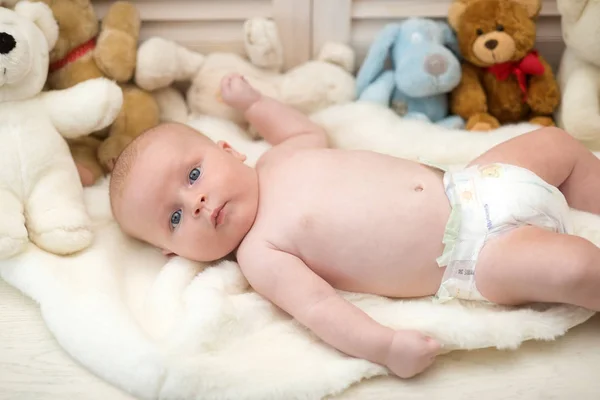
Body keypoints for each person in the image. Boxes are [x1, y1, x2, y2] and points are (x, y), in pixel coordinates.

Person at [109, 73, 600, 379]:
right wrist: (386, 347)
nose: (194, 202)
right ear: (175, 254)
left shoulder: (281, 157)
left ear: (230, 150)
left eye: (193, 175)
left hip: (474, 181)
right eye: (173, 218)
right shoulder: (261, 252)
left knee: (557, 145)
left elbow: (306, 129)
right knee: (576, 268)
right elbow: (320, 308)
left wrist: (254, 104)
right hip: (476, 255)